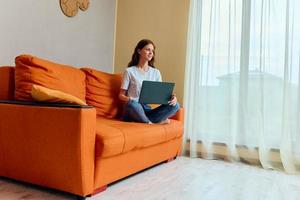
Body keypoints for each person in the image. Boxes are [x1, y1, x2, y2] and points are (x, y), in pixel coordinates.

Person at [119, 39, 180, 124]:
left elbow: (161, 95)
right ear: (139, 51)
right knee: (132, 104)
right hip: (134, 108)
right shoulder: (129, 71)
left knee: (176, 105)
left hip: (147, 110)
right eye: (148, 49)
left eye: (152, 51)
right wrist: (129, 99)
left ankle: (147, 121)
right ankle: (154, 122)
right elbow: (121, 95)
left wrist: (172, 97)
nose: (151, 53)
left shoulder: (156, 72)